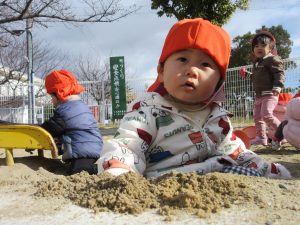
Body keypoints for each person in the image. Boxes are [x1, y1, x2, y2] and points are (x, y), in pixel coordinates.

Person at [97, 18, 291, 179]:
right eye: (182, 59)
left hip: (212, 175)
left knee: (240, 169)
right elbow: (127, 145)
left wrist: (267, 170)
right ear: (161, 71)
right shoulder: (147, 111)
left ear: (218, 83)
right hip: (161, 180)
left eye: (205, 64)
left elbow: (236, 152)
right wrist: (119, 170)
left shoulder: (218, 118)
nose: (191, 70)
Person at [41, 70, 103, 175]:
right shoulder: (77, 105)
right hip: (89, 146)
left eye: (52, 97)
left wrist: (39, 128)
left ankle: (97, 169)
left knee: (78, 172)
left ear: (59, 94)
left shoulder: (66, 110)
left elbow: (51, 128)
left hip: (84, 150)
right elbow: (69, 128)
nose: (51, 101)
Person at [248, 31, 285, 146]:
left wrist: (278, 86)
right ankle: (261, 137)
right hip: (259, 95)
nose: (259, 48)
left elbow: (279, 73)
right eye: (256, 46)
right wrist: (248, 74)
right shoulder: (257, 63)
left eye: (263, 45)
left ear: (270, 48)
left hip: (270, 93)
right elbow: (257, 77)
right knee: (257, 117)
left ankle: (282, 134)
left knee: (267, 114)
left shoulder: (273, 59)